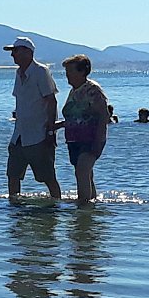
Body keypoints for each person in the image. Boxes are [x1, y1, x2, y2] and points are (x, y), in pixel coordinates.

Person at [4, 36, 62, 201]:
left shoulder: (41, 71)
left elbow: (51, 101)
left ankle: (55, 206)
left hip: (39, 135)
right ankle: (15, 208)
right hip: (19, 136)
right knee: (13, 175)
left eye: (15, 51)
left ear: (27, 52)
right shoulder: (18, 73)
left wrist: (50, 131)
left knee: (48, 177)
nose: (12, 55)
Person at [52, 54, 110, 207]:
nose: (67, 76)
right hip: (74, 141)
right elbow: (76, 117)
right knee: (87, 174)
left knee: (82, 172)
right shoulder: (74, 91)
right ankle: (91, 206)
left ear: (82, 71)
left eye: (70, 72)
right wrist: (58, 125)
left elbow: (104, 116)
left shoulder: (92, 90)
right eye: (66, 72)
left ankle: (83, 208)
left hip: (90, 140)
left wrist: (99, 141)